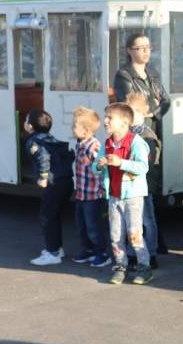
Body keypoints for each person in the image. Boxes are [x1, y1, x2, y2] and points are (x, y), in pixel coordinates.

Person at [95, 103, 152, 285]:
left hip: (133, 197)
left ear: (125, 122)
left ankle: (144, 267)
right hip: (114, 196)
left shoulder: (136, 142)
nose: (105, 121)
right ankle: (120, 267)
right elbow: (95, 166)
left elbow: (143, 167)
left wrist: (121, 162)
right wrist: (99, 165)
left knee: (134, 234)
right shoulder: (107, 143)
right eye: (106, 117)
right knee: (115, 235)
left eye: (110, 117)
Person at [23, 109, 75, 266]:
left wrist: (43, 177)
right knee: (54, 215)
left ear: (30, 126)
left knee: (47, 217)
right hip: (66, 181)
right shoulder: (50, 138)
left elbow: (43, 157)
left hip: (54, 183)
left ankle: (53, 253)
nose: (24, 122)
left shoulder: (34, 141)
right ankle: (57, 248)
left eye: (26, 120)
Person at [125, 92, 165, 267]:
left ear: (144, 113)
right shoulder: (127, 133)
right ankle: (132, 253)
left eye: (133, 112)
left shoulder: (147, 136)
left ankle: (152, 253)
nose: (130, 116)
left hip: (144, 186)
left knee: (147, 221)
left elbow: (148, 164)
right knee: (132, 221)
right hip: (129, 186)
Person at [70, 107, 109, 268]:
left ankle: (102, 252)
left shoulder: (94, 146)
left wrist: (104, 188)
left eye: (75, 126)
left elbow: (101, 167)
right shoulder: (80, 144)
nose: (72, 128)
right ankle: (89, 249)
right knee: (82, 225)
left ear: (86, 130)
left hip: (93, 195)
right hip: (81, 194)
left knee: (94, 226)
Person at [113, 32, 170, 126]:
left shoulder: (153, 73)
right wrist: (154, 102)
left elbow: (166, 101)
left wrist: (153, 113)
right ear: (129, 50)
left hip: (155, 123)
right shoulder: (123, 75)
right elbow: (131, 104)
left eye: (148, 47)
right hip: (136, 126)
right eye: (140, 48)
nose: (146, 51)